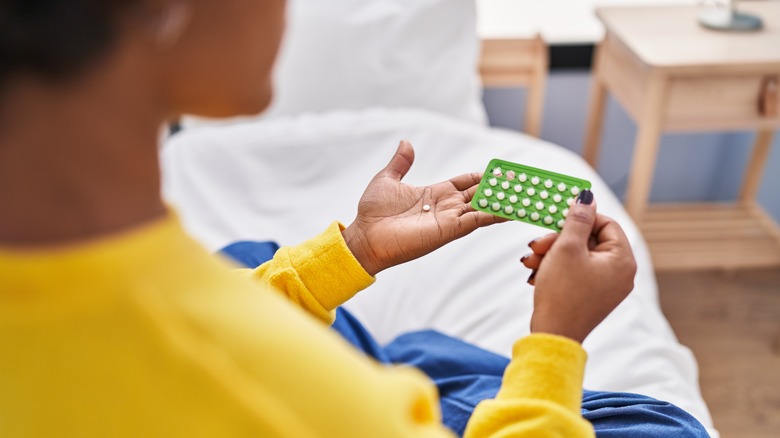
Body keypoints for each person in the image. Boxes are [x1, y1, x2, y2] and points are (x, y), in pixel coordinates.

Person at [0, 1, 708, 436]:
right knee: (658, 429)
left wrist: (355, 250)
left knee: (249, 257)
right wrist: (556, 337)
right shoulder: (324, 411)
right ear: (163, 8)